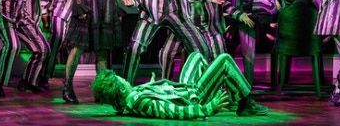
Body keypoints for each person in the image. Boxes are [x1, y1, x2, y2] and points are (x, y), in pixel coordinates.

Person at [93, 51, 268, 119]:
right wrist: (208, 108)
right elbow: (172, 111)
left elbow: (148, 97)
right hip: (193, 97)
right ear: (121, 88)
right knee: (224, 60)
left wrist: (151, 85)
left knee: (195, 56)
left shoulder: (124, 100)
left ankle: (224, 93)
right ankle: (245, 102)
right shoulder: (138, 101)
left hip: (184, 88)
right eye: (120, 79)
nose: (124, 79)